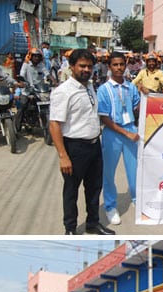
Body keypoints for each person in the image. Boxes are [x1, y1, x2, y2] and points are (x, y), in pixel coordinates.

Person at [49, 48, 115, 236]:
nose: (86, 70)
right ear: (71, 67)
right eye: (82, 66)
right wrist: (63, 156)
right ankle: (70, 228)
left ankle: (92, 223)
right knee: (71, 190)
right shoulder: (64, 92)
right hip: (74, 148)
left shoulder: (89, 86)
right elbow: (54, 124)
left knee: (94, 188)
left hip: (94, 145)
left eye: (89, 66)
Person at [97, 51, 141, 226]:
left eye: (122, 64)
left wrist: (148, 97)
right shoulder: (103, 89)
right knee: (108, 172)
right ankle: (110, 206)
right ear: (109, 67)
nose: (119, 68)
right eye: (115, 65)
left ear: (126, 65)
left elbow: (138, 108)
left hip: (130, 128)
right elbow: (104, 118)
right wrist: (126, 133)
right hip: (113, 132)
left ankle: (138, 199)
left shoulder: (131, 87)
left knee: (135, 170)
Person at [15, 48, 48, 132]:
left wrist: (54, 81)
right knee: (22, 105)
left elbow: (47, 73)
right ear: (30, 56)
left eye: (38, 56)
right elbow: (22, 74)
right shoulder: (26, 64)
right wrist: (22, 81)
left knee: (47, 103)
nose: (36, 58)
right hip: (27, 90)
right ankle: (16, 128)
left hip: (38, 90)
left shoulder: (41, 65)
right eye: (34, 56)